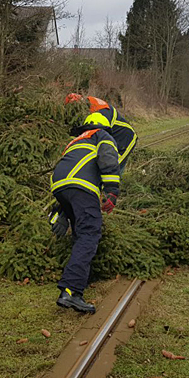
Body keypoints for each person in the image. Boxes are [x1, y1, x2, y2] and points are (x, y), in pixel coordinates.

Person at [50, 112, 121, 313]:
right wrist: (112, 191)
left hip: (60, 185)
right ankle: (71, 291)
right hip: (82, 187)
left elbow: (69, 172)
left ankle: (78, 278)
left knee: (80, 234)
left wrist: (63, 209)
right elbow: (108, 158)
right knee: (89, 234)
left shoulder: (75, 141)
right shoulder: (102, 135)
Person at [65, 93, 137, 173]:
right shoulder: (88, 108)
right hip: (111, 137)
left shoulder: (100, 112)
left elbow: (98, 137)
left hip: (124, 139)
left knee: (112, 168)